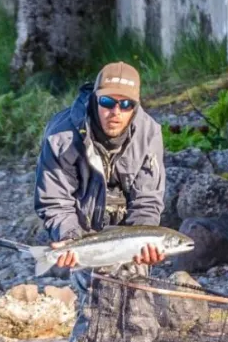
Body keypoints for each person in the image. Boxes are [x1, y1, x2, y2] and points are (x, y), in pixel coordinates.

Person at [33, 61, 167, 270]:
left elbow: (147, 201)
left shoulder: (150, 134)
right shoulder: (61, 136)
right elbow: (55, 201)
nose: (116, 111)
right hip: (80, 229)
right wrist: (70, 237)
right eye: (107, 101)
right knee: (91, 295)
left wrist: (146, 238)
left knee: (134, 296)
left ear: (136, 106)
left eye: (126, 105)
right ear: (95, 98)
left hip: (128, 234)